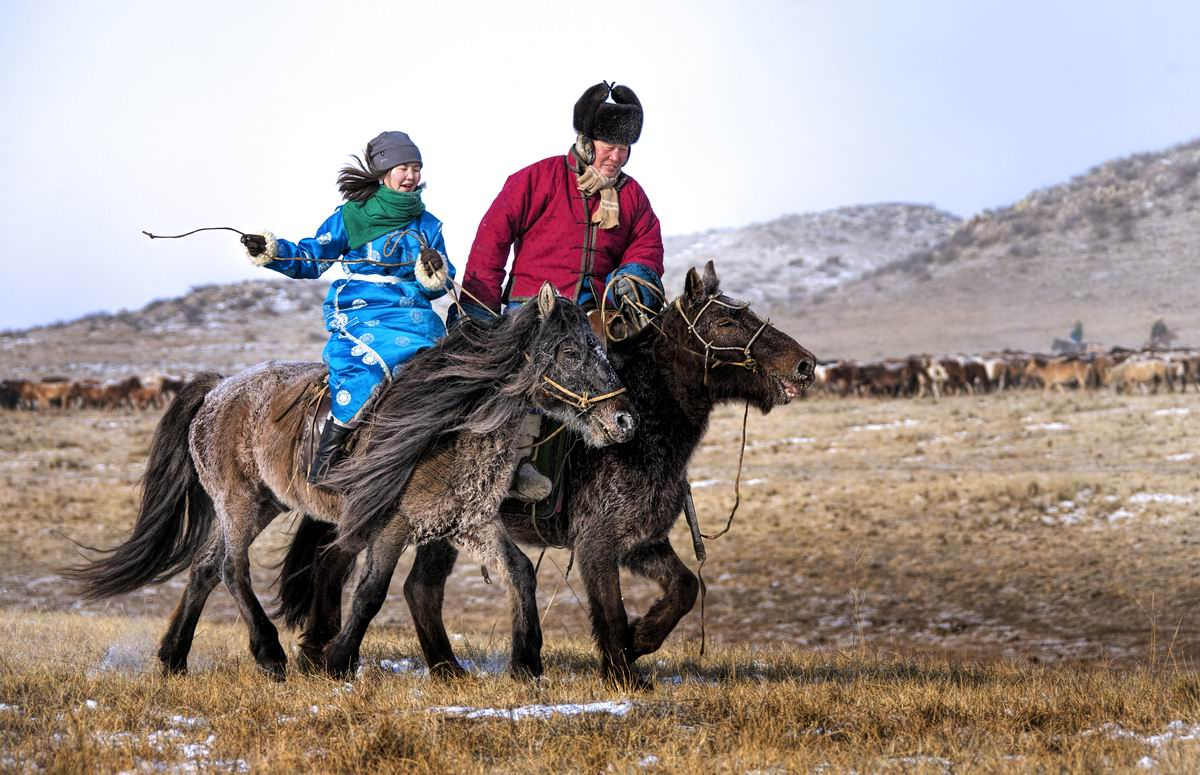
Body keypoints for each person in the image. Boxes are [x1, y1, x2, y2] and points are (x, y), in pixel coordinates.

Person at [458, 81, 665, 499]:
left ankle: (626, 472)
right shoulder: (537, 178)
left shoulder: (632, 196)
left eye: (625, 148)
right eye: (610, 145)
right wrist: (479, 307)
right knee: (531, 378)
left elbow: (647, 243)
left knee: (634, 377)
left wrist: (633, 276)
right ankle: (517, 465)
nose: (617, 156)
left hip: (593, 313)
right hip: (531, 309)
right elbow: (492, 237)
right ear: (586, 141)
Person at [241, 131, 454, 484]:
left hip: (415, 315)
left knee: (447, 374)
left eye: (416, 167)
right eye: (403, 167)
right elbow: (310, 259)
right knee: (368, 371)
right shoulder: (351, 217)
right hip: (363, 310)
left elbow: (439, 286)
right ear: (383, 171)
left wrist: (434, 272)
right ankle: (325, 458)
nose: (412, 175)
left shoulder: (428, 225)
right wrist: (271, 251)